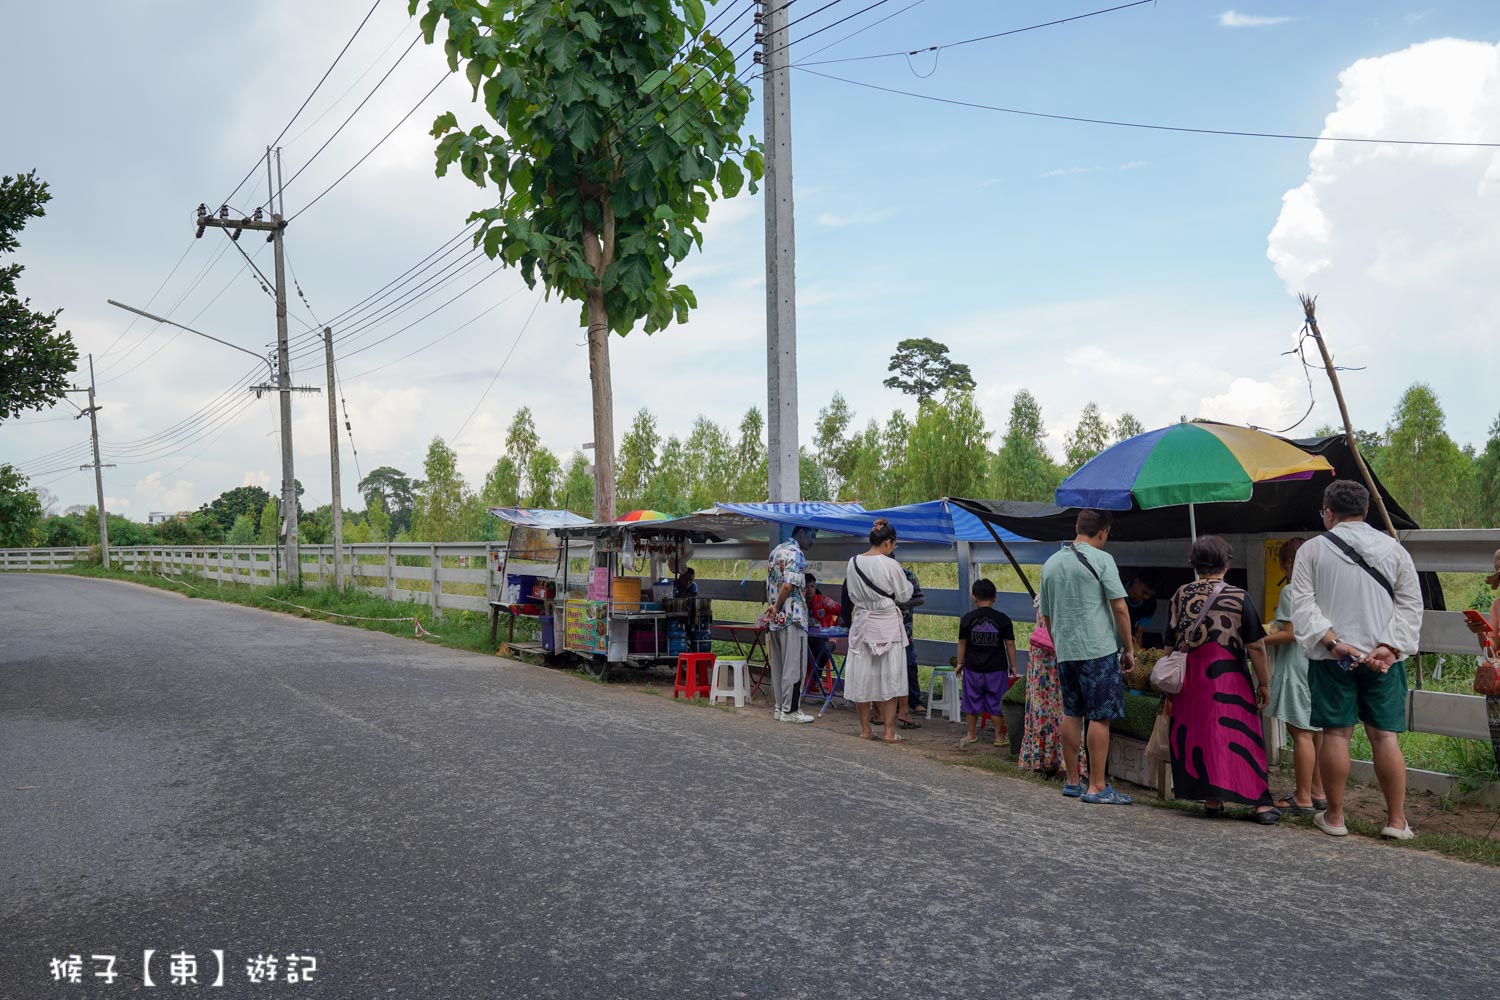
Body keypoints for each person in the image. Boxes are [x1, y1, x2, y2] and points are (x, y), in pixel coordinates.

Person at [1291, 479, 1424, 840]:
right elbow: (1411, 604)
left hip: (1333, 658)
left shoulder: (1312, 551)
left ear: (1329, 512)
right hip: (1383, 661)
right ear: (1365, 512)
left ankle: (1335, 817)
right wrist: (1390, 647)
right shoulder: (1394, 550)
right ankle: (1396, 821)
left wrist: (1334, 643)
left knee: (1336, 733)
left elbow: (1302, 606)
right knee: (1384, 737)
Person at [1164, 536, 1280, 823]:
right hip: (1228, 677)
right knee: (1240, 734)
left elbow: (1170, 643)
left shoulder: (1181, 594)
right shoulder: (1238, 596)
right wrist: (1263, 682)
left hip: (1189, 679)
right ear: (1227, 563)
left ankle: (1213, 801)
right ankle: (1260, 805)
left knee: (1201, 734)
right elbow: (1255, 645)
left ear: (1194, 563)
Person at [1037, 508, 1136, 804]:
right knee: (1100, 716)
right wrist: (1129, 648)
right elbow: (1119, 608)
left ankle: (1071, 780)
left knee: (1072, 712)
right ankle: (1096, 785)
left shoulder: (1051, 564)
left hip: (1066, 650)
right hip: (1098, 649)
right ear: (1103, 532)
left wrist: (1060, 644)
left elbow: (1047, 615)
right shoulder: (1102, 559)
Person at [1263, 538, 1327, 816]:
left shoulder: (1292, 590)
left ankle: (1302, 796)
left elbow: (1290, 633)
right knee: (1317, 733)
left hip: (1296, 665)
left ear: (1289, 563)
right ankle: (1318, 791)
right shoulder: (1326, 589)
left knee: (1300, 732)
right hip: (1320, 665)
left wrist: (1259, 640)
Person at [843, 519, 913, 743]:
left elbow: (852, 595)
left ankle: (865, 729)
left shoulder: (853, 562)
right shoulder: (891, 565)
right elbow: (904, 595)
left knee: (862, 677)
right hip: (887, 625)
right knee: (891, 679)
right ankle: (889, 732)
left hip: (863, 624)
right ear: (888, 543)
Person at [1019, 609, 1085, 777]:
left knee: (1045, 707)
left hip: (1043, 652)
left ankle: (1043, 760)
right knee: (1067, 706)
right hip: (1063, 648)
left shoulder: (1047, 585)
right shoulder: (1075, 590)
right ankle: (1063, 763)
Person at [764, 526, 817, 724]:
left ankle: (780, 707)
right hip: (792, 616)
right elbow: (788, 585)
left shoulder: (775, 552)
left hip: (776, 619)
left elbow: (771, 583)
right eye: (811, 536)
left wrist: (773, 608)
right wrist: (778, 606)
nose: (813, 541)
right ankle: (791, 710)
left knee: (778, 665)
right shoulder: (797, 554)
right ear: (801, 532)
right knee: (794, 666)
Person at [956, 579, 1017, 749]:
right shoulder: (1003, 619)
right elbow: (1010, 643)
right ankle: (998, 737)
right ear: (995, 598)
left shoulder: (967, 619)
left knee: (971, 700)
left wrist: (960, 663)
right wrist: (1013, 665)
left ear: (974, 598)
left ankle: (970, 734)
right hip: (996, 669)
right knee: (996, 702)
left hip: (973, 668)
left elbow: (962, 642)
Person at [1121, 570, 1160, 647]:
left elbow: (1139, 634)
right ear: (1136, 582)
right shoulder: (1117, 590)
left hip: (1127, 638)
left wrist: (1137, 654)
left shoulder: (1150, 604)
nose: (1146, 597)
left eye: (1151, 595)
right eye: (1144, 592)